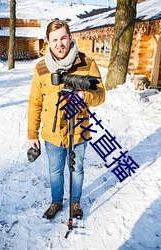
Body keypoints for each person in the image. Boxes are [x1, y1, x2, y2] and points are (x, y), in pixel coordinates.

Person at [27, 20, 105, 220]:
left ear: (70, 38)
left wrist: (85, 96)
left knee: (77, 168)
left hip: (79, 130)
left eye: (63, 38)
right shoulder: (41, 68)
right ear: (48, 42)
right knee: (55, 170)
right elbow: (35, 102)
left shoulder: (87, 63)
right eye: (54, 40)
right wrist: (32, 134)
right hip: (52, 133)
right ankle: (56, 202)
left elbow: (101, 95)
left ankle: (76, 202)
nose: (59, 43)